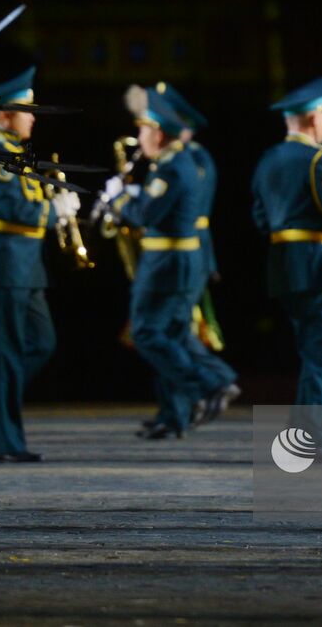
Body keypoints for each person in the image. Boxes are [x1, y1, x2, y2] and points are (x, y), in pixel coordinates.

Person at [100, 87, 234, 439]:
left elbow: (147, 213)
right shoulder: (171, 163)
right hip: (174, 258)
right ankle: (199, 395)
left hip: (168, 261)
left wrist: (118, 201)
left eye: (144, 129)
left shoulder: (174, 166)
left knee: (147, 332)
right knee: (173, 333)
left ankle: (208, 385)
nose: (140, 136)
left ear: (159, 132)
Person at [0, 68, 78, 461]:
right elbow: (13, 205)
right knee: (4, 354)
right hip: (4, 263)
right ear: (3, 113)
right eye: (26, 110)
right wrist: (54, 211)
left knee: (40, 343)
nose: (32, 116)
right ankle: (3, 441)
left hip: (25, 266)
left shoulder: (12, 151)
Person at [251, 77, 322, 443]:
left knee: (310, 351)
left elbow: (260, 215)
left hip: (281, 263)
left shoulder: (267, 159)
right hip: (315, 265)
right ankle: (309, 436)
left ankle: (300, 430)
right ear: (315, 119)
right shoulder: (319, 158)